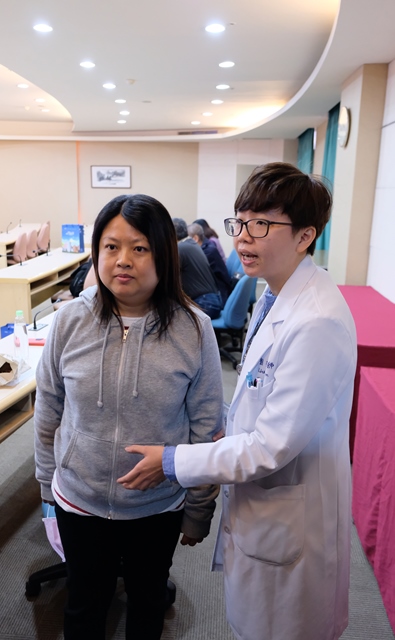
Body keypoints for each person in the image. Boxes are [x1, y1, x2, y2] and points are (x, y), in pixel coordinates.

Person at [118, 163, 357, 640]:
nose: (243, 237)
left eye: (261, 224)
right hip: (264, 504)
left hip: (293, 512)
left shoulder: (316, 320)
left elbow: (270, 446)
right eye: (240, 222)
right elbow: (260, 398)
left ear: (305, 235)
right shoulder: (274, 296)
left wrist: (173, 461)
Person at [34, 194, 222, 640]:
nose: (123, 260)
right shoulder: (69, 321)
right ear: (96, 252)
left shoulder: (194, 329)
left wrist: (199, 509)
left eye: (139, 248)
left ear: (164, 255)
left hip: (157, 506)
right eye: (111, 247)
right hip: (79, 499)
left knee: (147, 604)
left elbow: (207, 427)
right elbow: (48, 409)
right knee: (83, 607)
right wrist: (46, 487)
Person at [173, 217, 223, 319]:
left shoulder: (180, 249)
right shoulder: (191, 244)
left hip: (205, 303)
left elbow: (168, 277)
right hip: (211, 301)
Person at [188, 222, 232, 305]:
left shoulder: (207, 252)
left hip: (218, 295)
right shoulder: (207, 246)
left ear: (195, 238)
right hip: (217, 291)